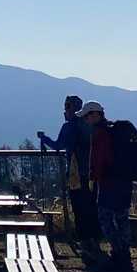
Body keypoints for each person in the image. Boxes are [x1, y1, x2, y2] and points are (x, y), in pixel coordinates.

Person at [38, 94, 97, 253]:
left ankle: (85, 241)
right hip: (93, 173)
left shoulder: (69, 127)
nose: (64, 111)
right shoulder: (89, 126)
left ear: (72, 109)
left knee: (79, 209)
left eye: (66, 107)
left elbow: (58, 145)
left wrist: (44, 138)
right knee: (91, 207)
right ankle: (94, 240)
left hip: (76, 175)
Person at [83, 101, 134, 272]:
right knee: (122, 218)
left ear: (95, 114)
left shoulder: (100, 133)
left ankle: (118, 253)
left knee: (105, 218)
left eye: (87, 115)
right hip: (124, 181)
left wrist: (93, 178)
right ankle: (125, 255)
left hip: (108, 182)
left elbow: (99, 159)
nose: (85, 119)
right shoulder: (114, 131)